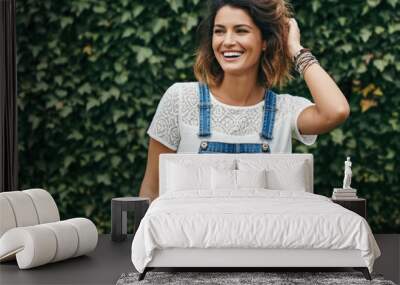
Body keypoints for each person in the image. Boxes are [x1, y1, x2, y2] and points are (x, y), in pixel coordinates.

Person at [139, 0, 350, 201]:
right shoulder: (180, 99)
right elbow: (152, 190)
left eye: (241, 30)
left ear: (265, 42)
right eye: (219, 31)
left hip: (264, 236)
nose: (227, 41)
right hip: (188, 238)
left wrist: (296, 49)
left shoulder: (284, 110)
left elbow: (336, 111)